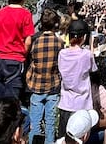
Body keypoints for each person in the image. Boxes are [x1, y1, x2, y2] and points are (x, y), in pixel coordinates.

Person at [0, 0, 35, 100]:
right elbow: (28, 40)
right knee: (12, 98)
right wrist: (23, 52)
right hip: (16, 60)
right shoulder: (26, 14)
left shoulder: (0, 13)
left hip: (0, 59)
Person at [26, 9, 64, 144]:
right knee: (50, 124)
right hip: (53, 86)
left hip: (36, 85)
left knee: (34, 124)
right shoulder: (59, 43)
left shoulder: (35, 41)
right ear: (56, 25)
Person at [58, 19, 99, 134]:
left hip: (66, 103)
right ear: (84, 37)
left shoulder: (62, 54)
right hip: (82, 104)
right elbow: (93, 69)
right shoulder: (87, 55)